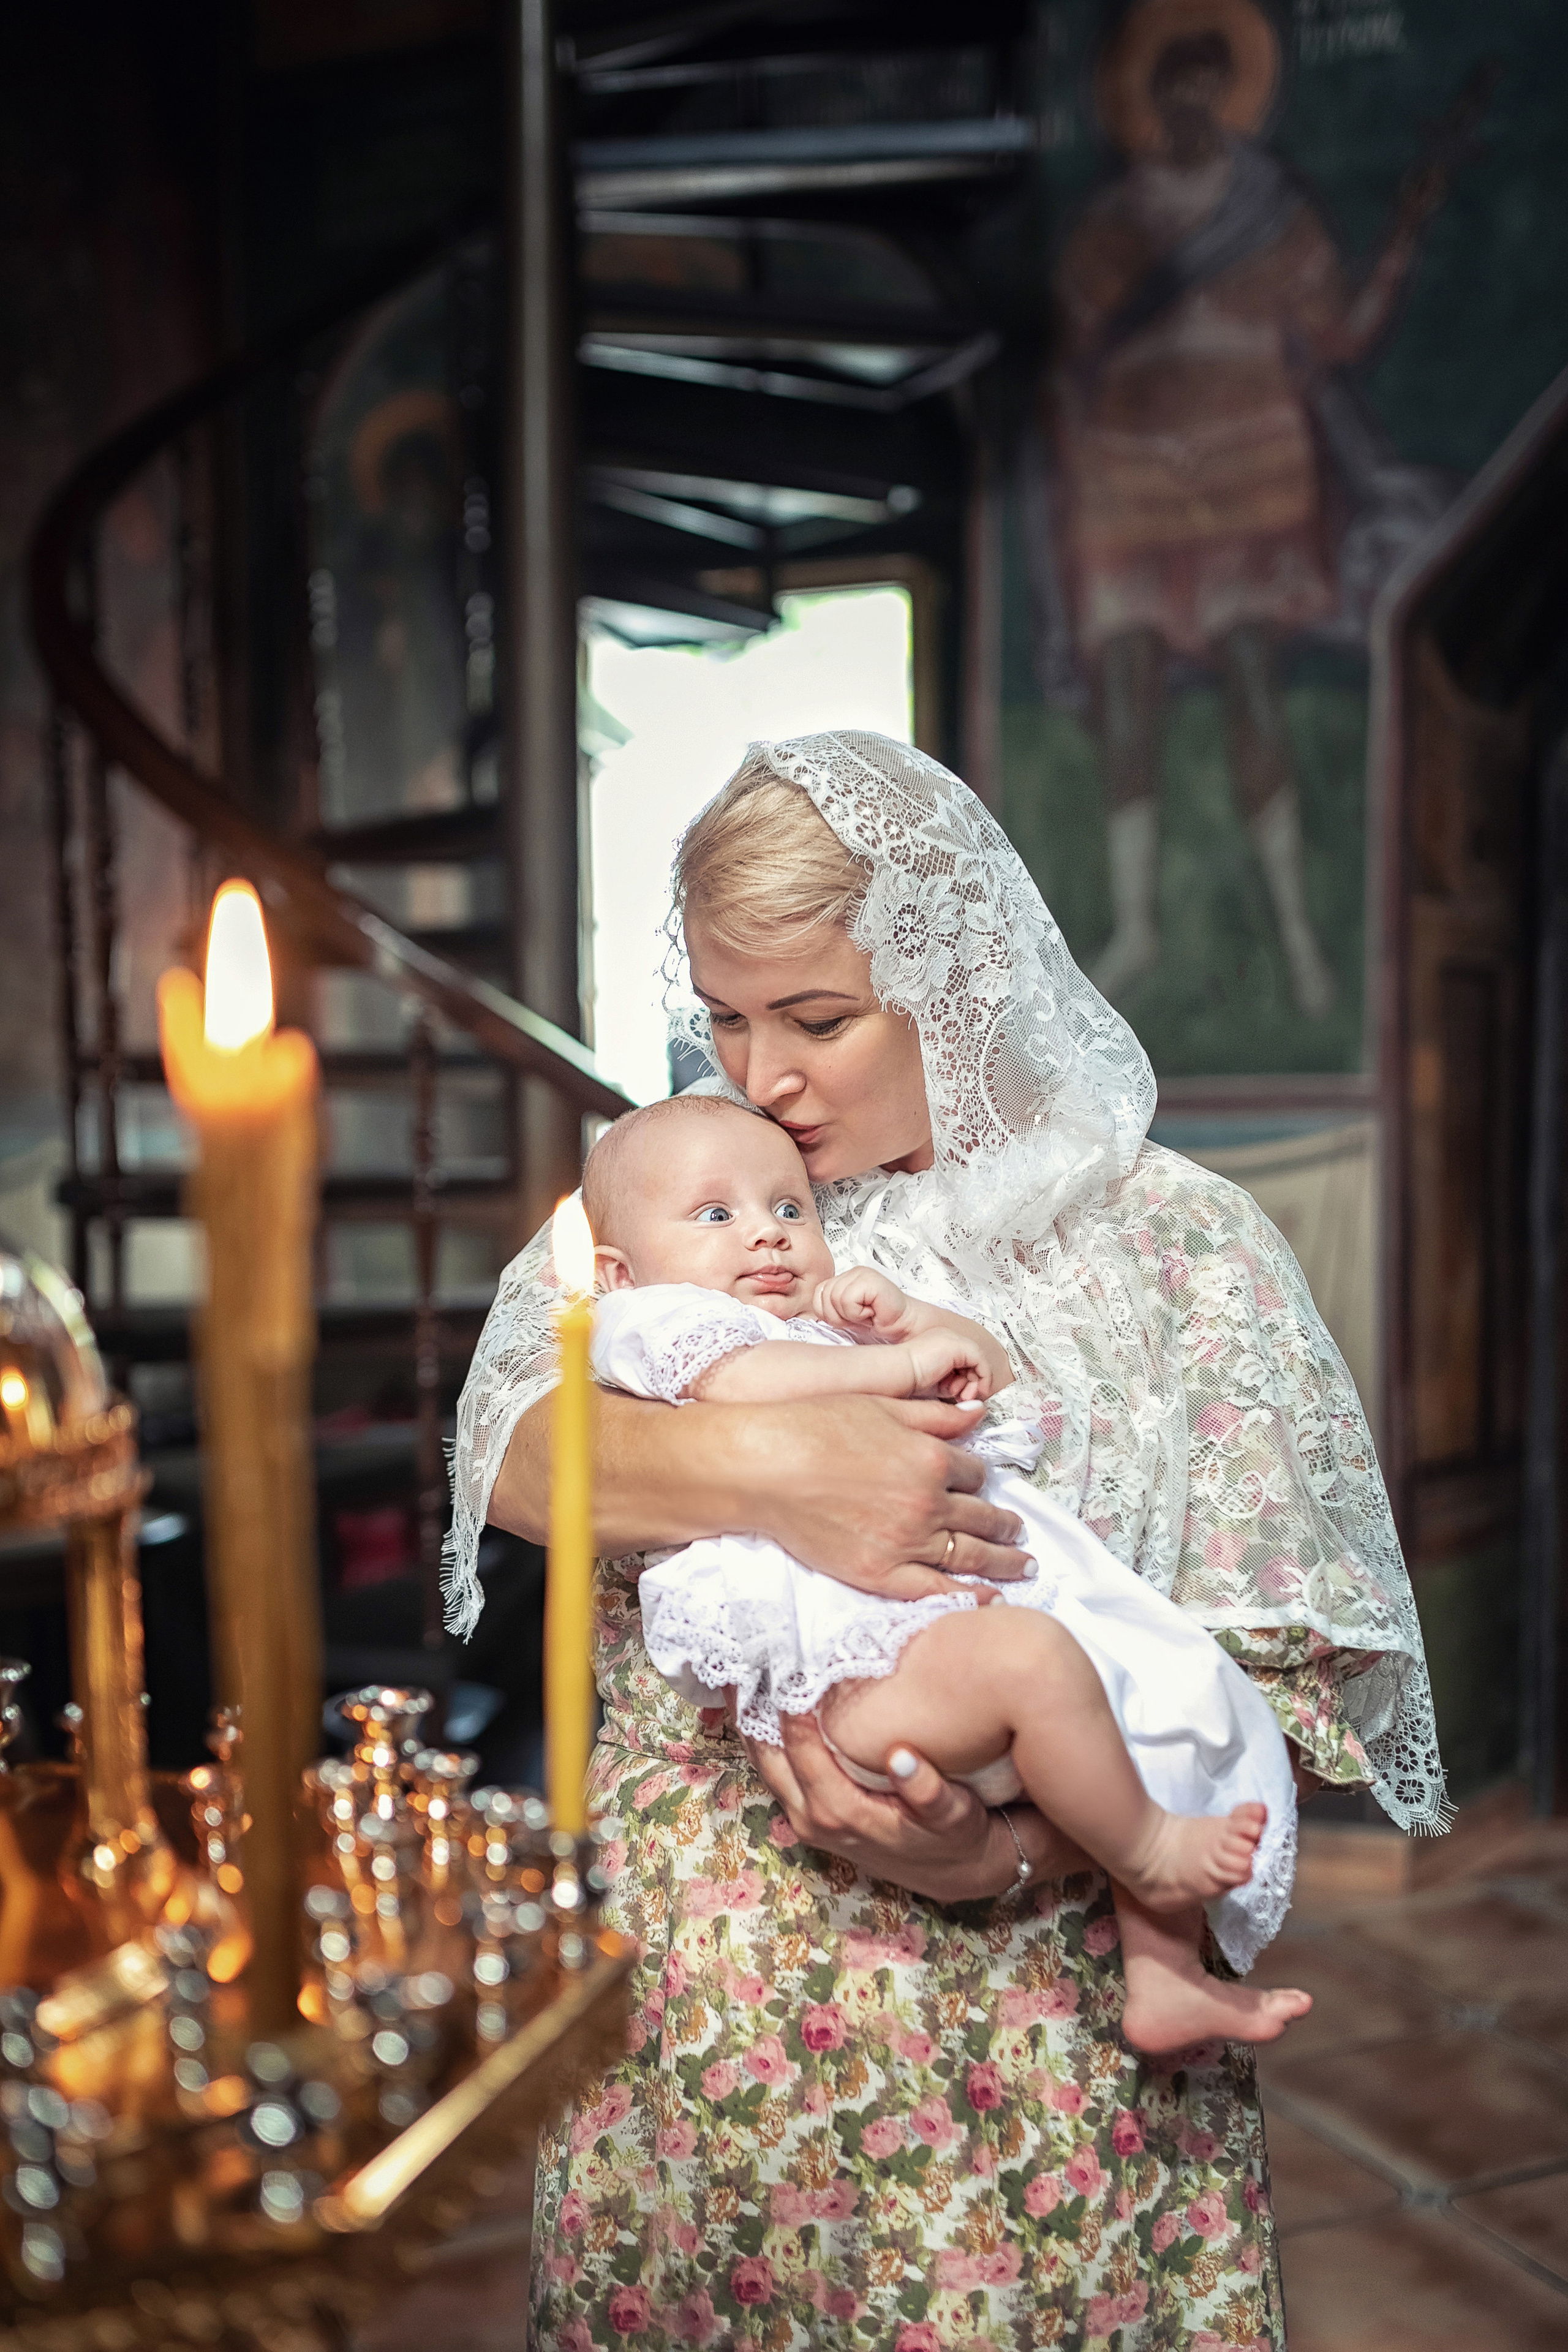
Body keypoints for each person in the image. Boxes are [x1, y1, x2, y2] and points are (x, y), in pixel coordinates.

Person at [449, 731, 1446, 2350]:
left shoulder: (1181, 1244)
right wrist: (785, 1473)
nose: (756, 1074)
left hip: (1058, 2061)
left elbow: (1287, 1679)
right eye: (722, 1014)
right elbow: (521, 1445)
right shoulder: (681, 1199)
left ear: (958, 979)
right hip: (717, 2051)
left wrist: (1025, 1845)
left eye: (817, 1021)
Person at [582, 1090, 1311, 2057]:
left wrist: (927, 1329)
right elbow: (749, 1386)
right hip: (849, 1677)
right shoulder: (649, 1322)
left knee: (1156, 1692)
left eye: (791, 1210)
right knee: (1041, 1667)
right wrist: (902, 1363)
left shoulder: (826, 1335)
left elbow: (997, 1408)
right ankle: (1149, 1854)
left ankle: (1164, 1974)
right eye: (717, 1216)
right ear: (617, 1268)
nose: (767, 1237)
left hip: (938, 1646)